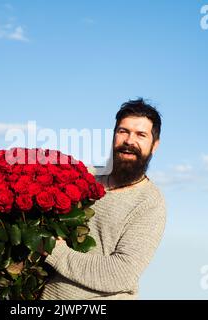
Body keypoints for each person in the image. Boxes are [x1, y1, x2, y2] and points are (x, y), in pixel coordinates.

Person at [40, 98, 166, 300]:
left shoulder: (150, 203)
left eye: (141, 135)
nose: (129, 141)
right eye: (123, 131)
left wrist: (55, 252)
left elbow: (121, 273)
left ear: (154, 145)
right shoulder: (85, 176)